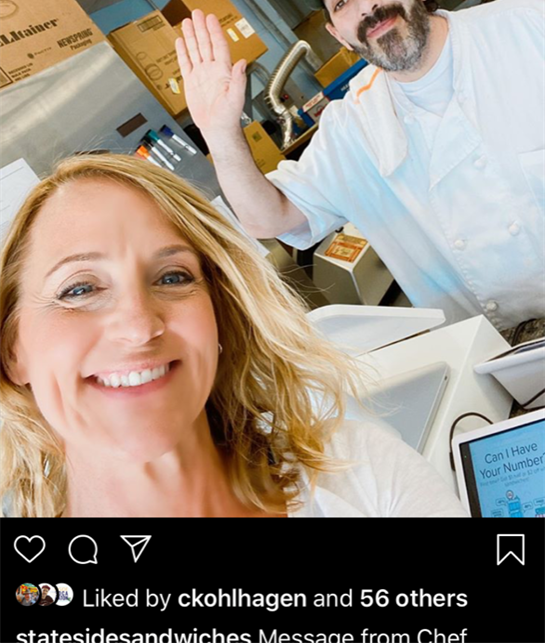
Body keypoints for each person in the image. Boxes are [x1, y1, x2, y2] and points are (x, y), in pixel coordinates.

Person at [0, 153, 466, 518]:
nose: (140, 327)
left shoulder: (359, 472)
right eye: (79, 289)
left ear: (218, 314)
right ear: (12, 349)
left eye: (172, 277)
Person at [174, 0, 545, 335]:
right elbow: (269, 219)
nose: (367, 6)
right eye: (342, 1)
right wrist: (220, 131)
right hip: (506, 355)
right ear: (338, 35)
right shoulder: (352, 127)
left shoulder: (523, 29)